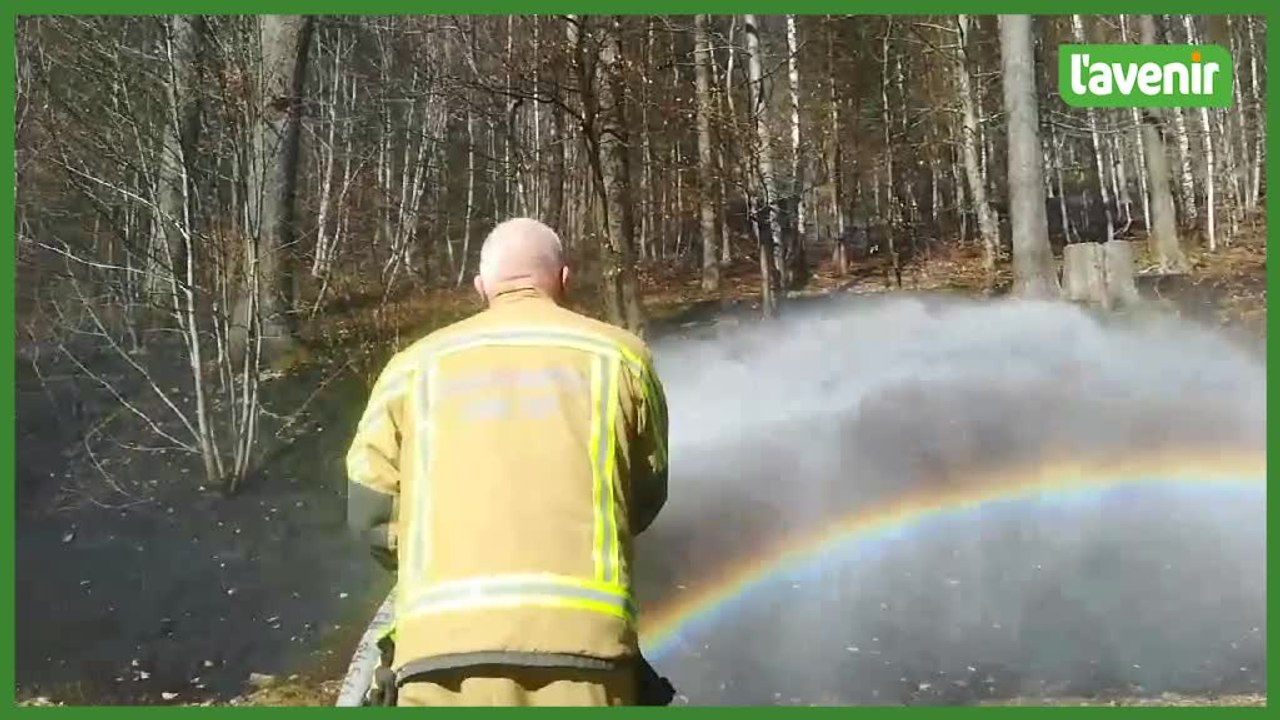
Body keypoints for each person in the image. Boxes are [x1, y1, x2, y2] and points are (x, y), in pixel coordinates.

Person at [346, 217, 670, 706]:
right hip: (588, 657)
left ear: (481, 288)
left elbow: (371, 512)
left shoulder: (411, 368)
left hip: (436, 658)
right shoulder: (622, 357)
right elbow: (645, 493)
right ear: (564, 279)